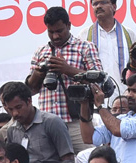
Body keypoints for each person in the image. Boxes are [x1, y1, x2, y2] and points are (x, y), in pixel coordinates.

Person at [24, 5, 103, 152]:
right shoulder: (41, 52)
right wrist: (39, 73)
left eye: (59, 31)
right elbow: (30, 90)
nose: (55, 36)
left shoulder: (85, 47)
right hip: (47, 124)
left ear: (69, 25)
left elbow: (99, 82)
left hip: (77, 122)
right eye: (51, 32)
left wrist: (68, 70)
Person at [0, 82, 74, 163]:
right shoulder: (11, 130)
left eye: (18, 107)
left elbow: (68, 160)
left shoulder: (52, 123)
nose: (15, 113)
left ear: (29, 101)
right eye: (10, 109)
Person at [79, 0, 136, 89]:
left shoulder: (129, 34)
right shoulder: (84, 34)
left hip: (124, 93)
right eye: (95, 4)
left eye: (103, 2)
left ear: (114, 6)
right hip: (96, 96)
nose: (98, 6)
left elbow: (134, 65)